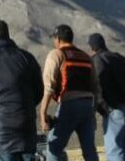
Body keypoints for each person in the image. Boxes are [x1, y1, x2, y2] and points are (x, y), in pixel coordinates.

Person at [0, 20, 44, 161]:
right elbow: (39, 89)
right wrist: (27, 106)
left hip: (0, 127)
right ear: (8, 34)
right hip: (26, 123)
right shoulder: (27, 58)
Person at [40, 25, 103, 161]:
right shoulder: (86, 57)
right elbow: (95, 87)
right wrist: (93, 113)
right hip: (87, 106)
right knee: (89, 150)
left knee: (54, 147)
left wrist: (42, 112)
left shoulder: (56, 54)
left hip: (69, 105)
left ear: (58, 39)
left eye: (54, 39)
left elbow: (49, 86)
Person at [89, 33, 125, 161]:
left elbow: (98, 84)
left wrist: (104, 108)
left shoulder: (98, 60)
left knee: (115, 151)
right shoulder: (120, 58)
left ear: (92, 47)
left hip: (114, 109)